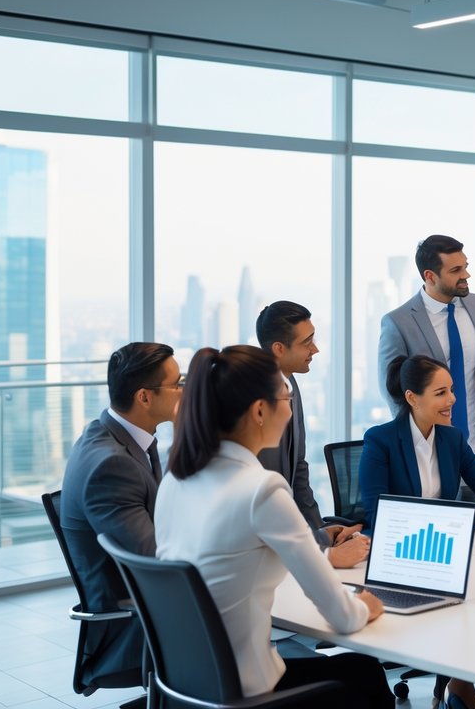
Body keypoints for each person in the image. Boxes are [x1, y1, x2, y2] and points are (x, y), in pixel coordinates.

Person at [155, 345, 392, 708]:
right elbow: (343, 617)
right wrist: (368, 605)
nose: (292, 408)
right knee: (364, 673)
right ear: (260, 410)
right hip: (247, 695)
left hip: (190, 687)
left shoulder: (176, 479)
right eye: (287, 396)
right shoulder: (262, 490)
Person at [360, 354, 475, 709]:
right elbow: (375, 513)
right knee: (474, 602)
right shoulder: (381, 440)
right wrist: (444, 522)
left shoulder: (451, 439)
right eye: (441, 392)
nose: (452, 400)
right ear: (412, 398)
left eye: (451, 391)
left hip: (445, 555)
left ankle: (461, 686)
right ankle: (460, 689)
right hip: (403, 559)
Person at [59, 342, 179, 689]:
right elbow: (157, 561)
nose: (184, 392)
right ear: (144, 397)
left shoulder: (116, 438)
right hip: (134, 625)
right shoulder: (112, 465)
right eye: (176, 384)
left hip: (150, 605)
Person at [378, 234, 475, 470]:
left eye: (465, 267)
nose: (465, 275)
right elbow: (394, 392)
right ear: (430, 276)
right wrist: (417, 447)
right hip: (428, 453)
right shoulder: (398, 322)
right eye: (456, 270)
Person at [255, 301, 325, 536]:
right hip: (266, 537)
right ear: (279, 348)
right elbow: (265, 496)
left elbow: (298, 469)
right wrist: (317, 545)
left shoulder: (290, 383)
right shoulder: (256, 401)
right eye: (307, 343)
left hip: (291, 535)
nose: (315, 350)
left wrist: (320, 531)